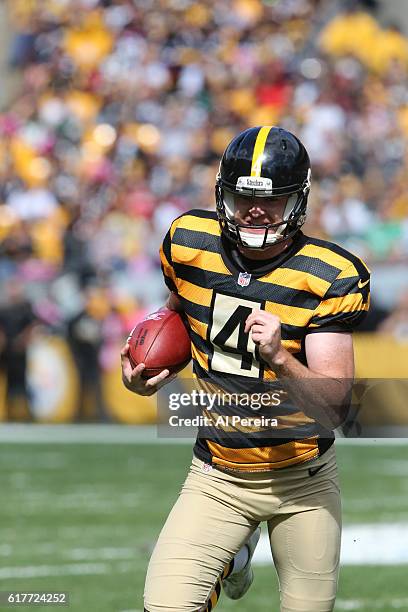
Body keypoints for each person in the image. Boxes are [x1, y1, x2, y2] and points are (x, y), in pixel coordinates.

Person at [121, 126, 370, 612]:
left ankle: (235, 554)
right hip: (217, 475)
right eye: (242, 196)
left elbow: (336, 405)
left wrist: (280, 357)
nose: (257, 210)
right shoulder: (188, 241)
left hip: (303, 480)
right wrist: (145, 365)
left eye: (274, 199)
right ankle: (230, 558)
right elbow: (177, 307)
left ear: (298, 201)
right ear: (222, 192)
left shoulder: (331, 273)